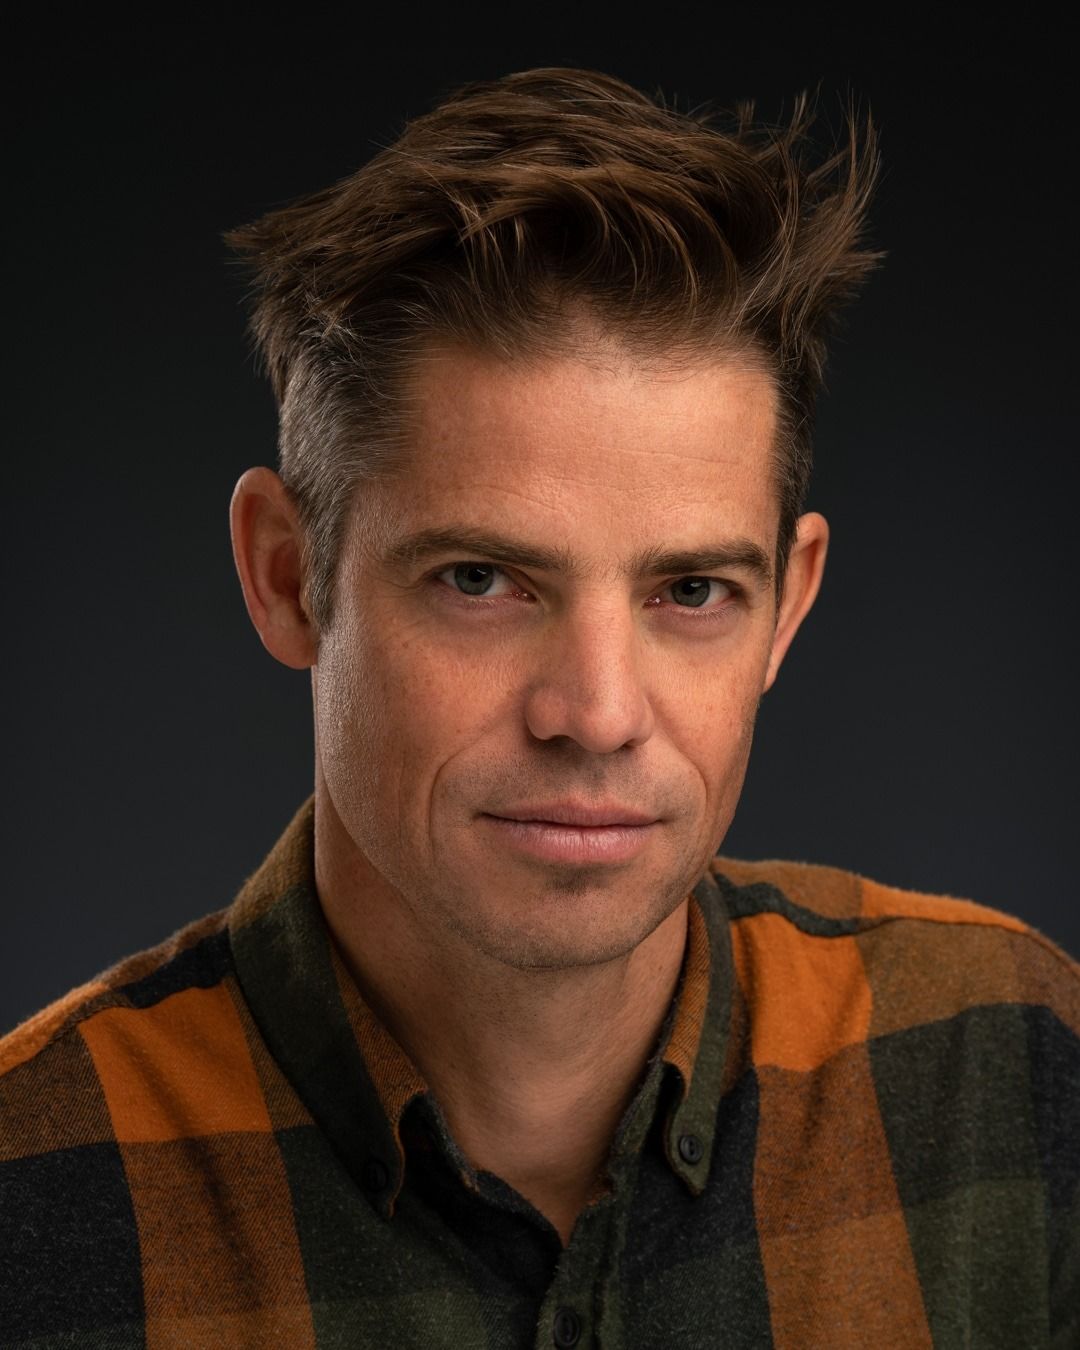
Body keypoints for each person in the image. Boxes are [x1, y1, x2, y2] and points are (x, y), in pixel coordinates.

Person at [1, 66, 1076, 1349]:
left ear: (787, 607)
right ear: (289, 577)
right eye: (481, 580)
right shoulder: (32, 1190)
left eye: (690, 590)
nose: (599, 712)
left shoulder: (1008, 1069)